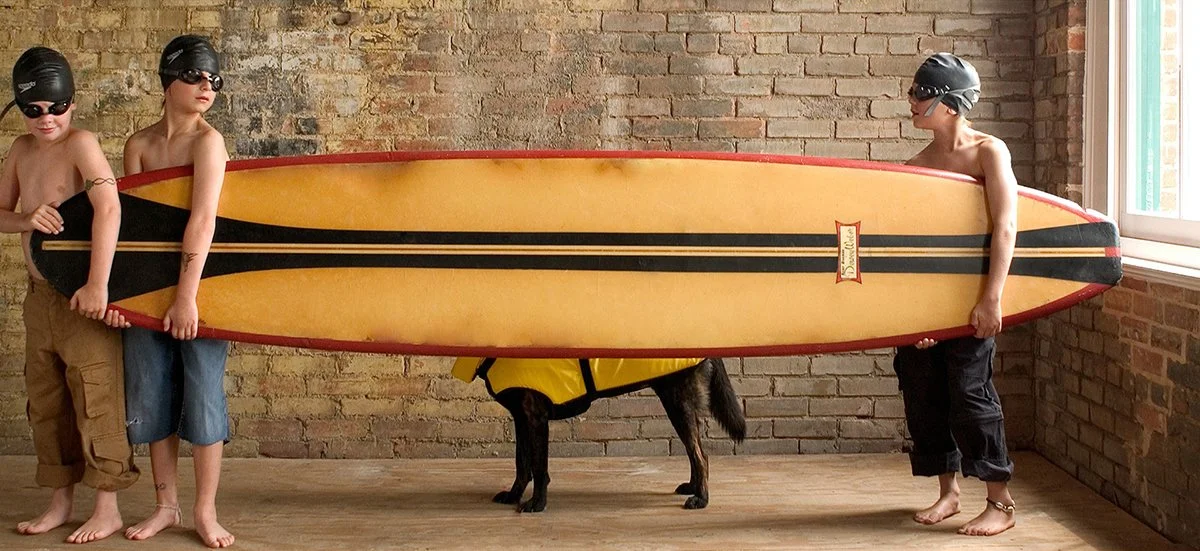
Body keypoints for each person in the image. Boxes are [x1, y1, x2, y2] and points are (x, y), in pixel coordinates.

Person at [0, 46, 139, 544]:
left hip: (82, 297)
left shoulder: (82, 143)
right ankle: (60, 500)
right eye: (34, 110)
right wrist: (25, 218)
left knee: (96, 395)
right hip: (39, 298)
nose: (46, 119)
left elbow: (109, 208)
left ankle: (107, 507)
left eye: (56, 107)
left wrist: (98, 284)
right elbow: (0, 213)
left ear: (71, 105)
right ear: (21, 109)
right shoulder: (19, 150)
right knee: (47, 399)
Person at [894, 52, 1019, 537]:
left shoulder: (989, 151)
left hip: (972, 304)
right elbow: (909, 252)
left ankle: (1000, 502)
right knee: (925, 395)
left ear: (947, 103)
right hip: (928, 310)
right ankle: (948, 493)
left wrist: (992, 299)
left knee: (971, 396)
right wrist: (915, 319)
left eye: (919, 94)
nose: (911, 101)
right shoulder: (916, 165)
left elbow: (1005, 226)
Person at [119, 35, 235, 549]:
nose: (206, 86)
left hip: (201, 285)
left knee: (204, 396)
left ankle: (204, 510)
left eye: (213, 78)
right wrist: (124, 297)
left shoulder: (208, 143)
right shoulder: (139, 145)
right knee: (150, 394)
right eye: (194, 76)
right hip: (148, 287)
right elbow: (133, 231)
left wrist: (186, 295)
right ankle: (165, 505)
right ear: (168, 81)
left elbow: (203, 220)